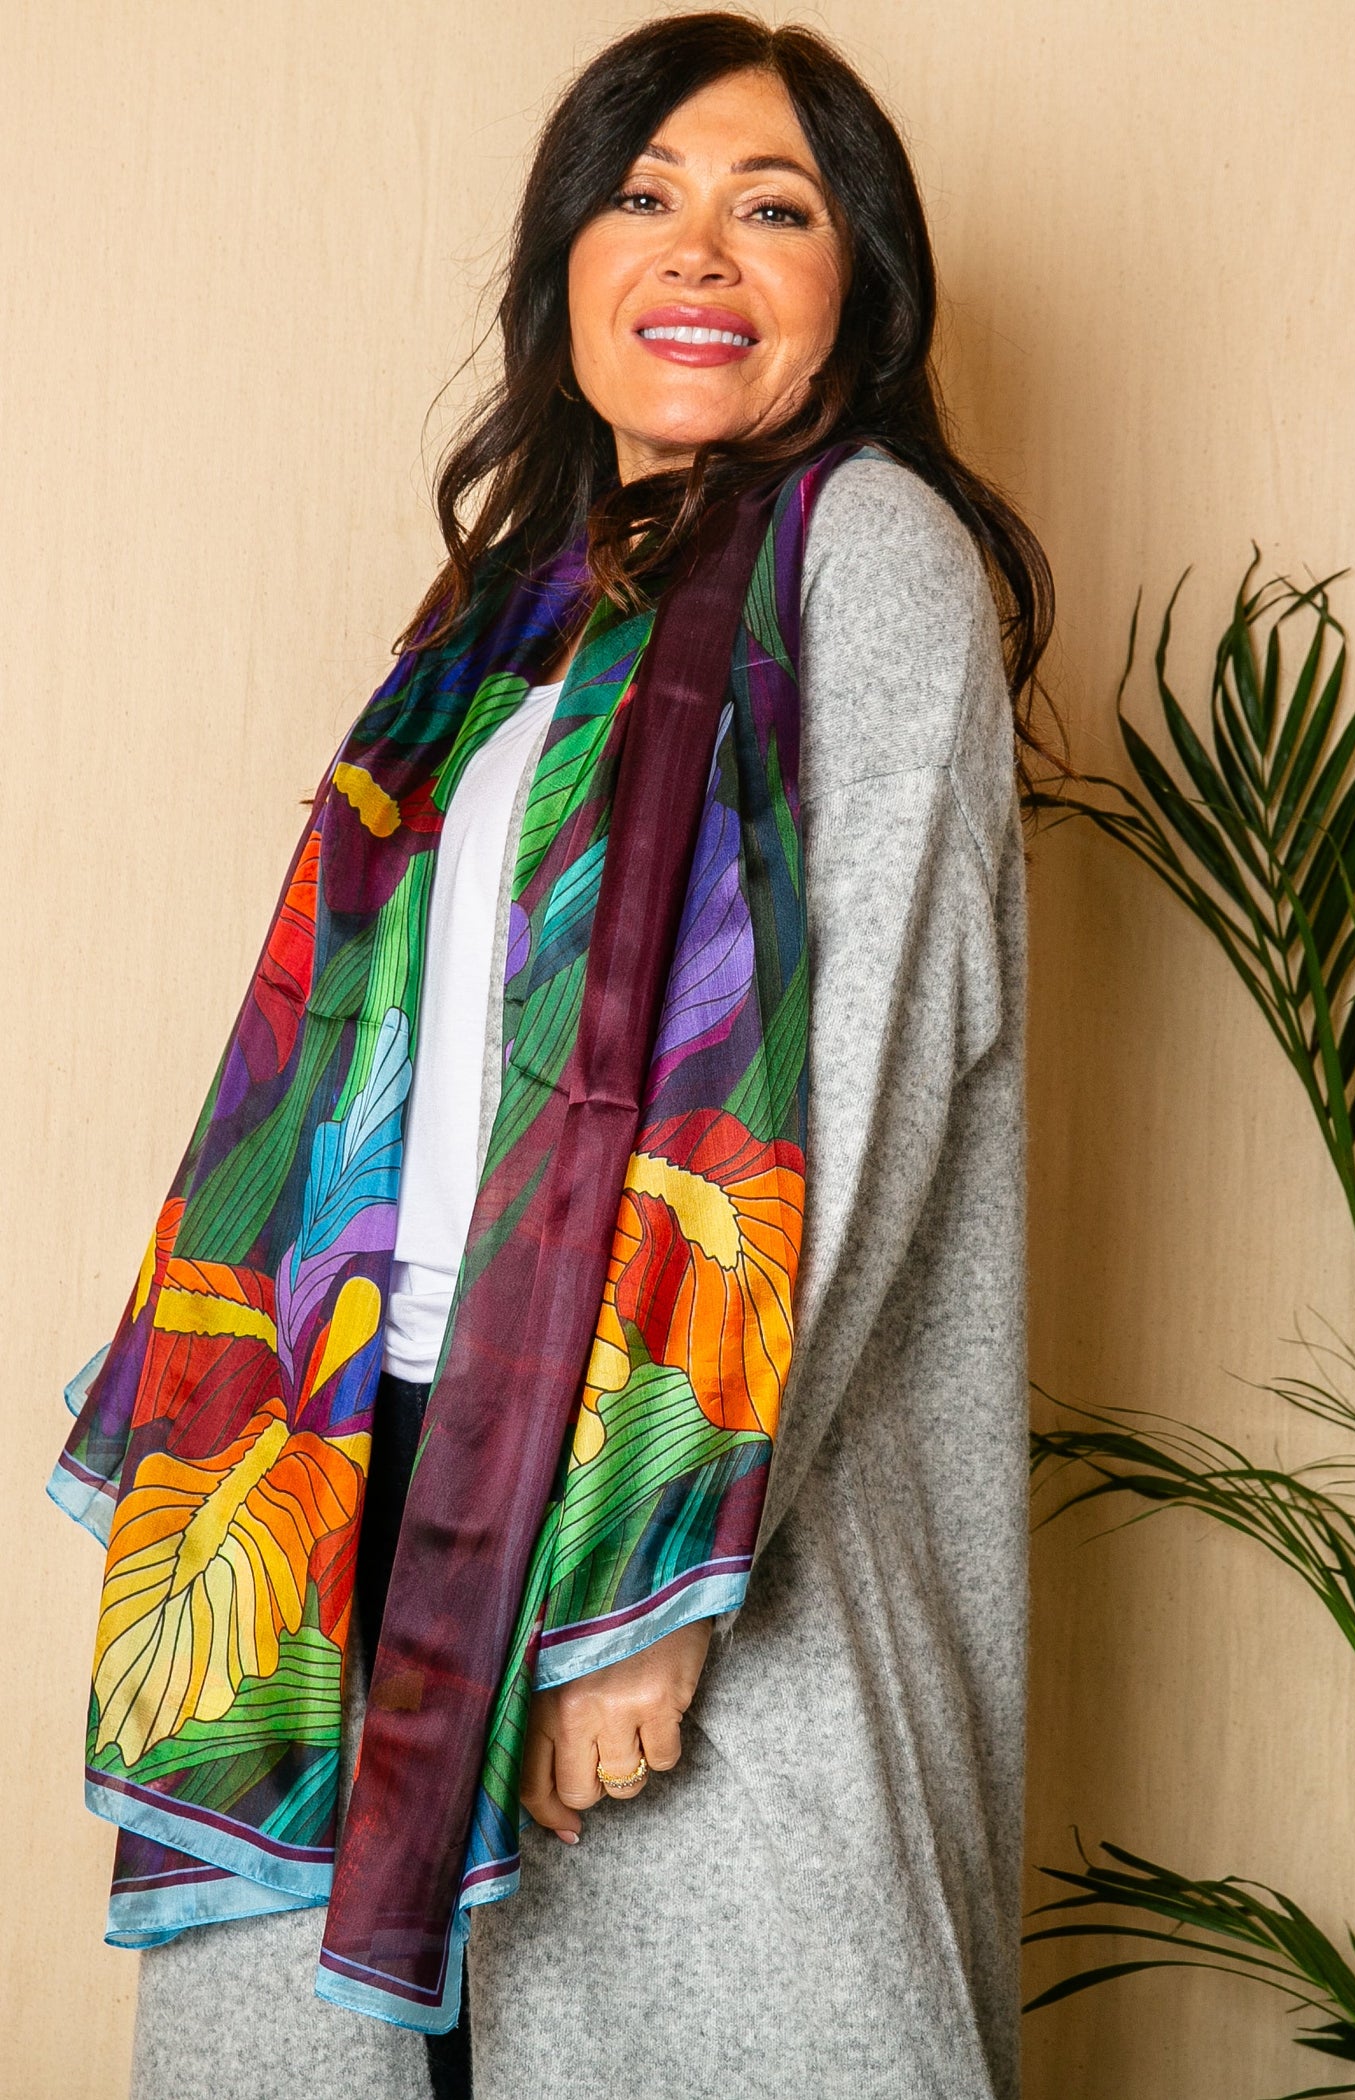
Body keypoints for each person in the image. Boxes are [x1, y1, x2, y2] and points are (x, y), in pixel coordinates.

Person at [50, 13, 1052, 2098]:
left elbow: (849, 1101)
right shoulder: (510, 611)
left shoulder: (865, 557)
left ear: (857, 293)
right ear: (566, 270)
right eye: (644, 196)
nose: (699, 249)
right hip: (364, 1464)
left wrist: (653, 1591)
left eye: (774, 210)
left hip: (658, 1482)